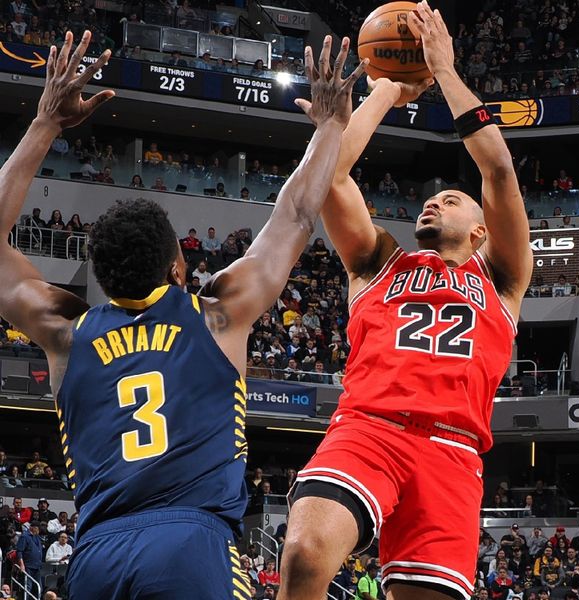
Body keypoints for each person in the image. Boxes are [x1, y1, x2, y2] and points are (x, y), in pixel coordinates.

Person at [0, 30, 364, 600]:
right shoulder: (220, 313)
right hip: (192, 545)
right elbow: (295, 212)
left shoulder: (66, 331)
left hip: (96, 556)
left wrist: (45, 123)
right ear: (178, 266)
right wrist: (329, 126)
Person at [278, 5, 533, 600]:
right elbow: (332, 177)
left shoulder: (501, 277)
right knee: (304, 554)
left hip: (453, 451)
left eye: (448, 199)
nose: (432, 204)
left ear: (480, 231)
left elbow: (497, 169)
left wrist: (443, 71)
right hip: (369, 429)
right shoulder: (378, 262)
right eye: (429, 200)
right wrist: (387, 91)